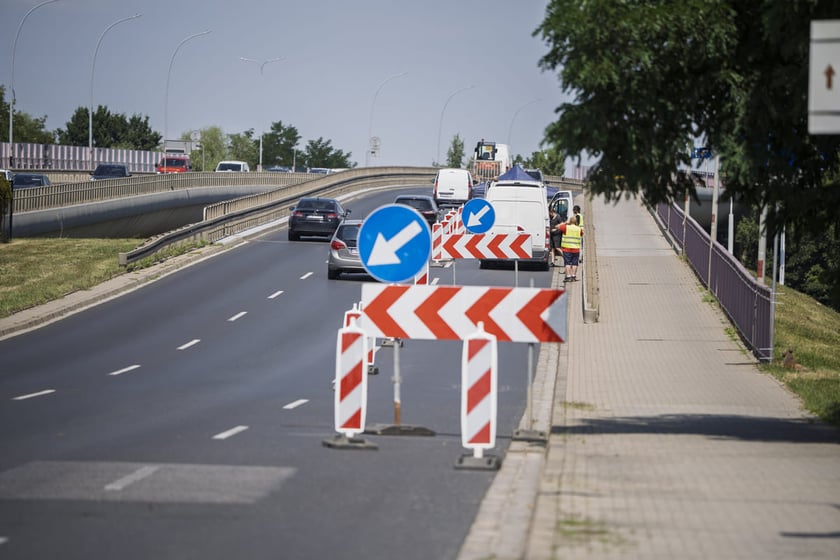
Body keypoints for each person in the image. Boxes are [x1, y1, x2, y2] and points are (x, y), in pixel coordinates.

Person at [557, 215, 583, 282]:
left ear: (570, 221)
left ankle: (568, 277)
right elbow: (582, 234)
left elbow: (557, 226)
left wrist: (565, 223)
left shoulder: (566, 227)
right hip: (576, 249)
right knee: (575, 263)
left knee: (567, 263)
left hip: (567, 249)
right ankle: (573, 276)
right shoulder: (579, 229)